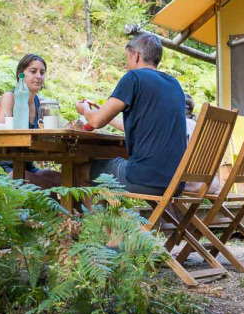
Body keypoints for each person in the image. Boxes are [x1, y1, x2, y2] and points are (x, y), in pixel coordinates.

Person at [77, 33, 186, 195]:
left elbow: (96, 122)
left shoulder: (134, 77)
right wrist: (104, 112)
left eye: (127, 59)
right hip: (175, 183)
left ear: (136, 55)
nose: (126, 66)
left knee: (82, 169)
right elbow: (140, 127)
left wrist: (84, 109)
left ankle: (93, 220)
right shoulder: (174, 84)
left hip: (144, 179)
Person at [0, 54, 61, 189]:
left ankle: (74, 211)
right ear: (21, 74)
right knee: (40, 183)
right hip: (4, 166)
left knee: (64, 179)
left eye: (42, 73)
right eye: (33, 71)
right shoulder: (10, 97)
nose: (38, 76)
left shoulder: (41, 102)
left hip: (28, 165)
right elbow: (1, 136)